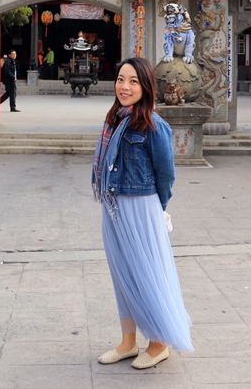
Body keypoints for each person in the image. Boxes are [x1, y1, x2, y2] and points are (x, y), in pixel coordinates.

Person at [93, 57, 192, 369]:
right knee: (122, 274)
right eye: (121, 79)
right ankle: (127, 343)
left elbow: (166, 175)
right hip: (113, 207)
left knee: (148, 273)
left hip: (141, 206)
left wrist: (156, 210)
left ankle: (159, 342)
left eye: (133, 81)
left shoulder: (154, 125)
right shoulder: (114, 119)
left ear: (146, 86)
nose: (125, 87)